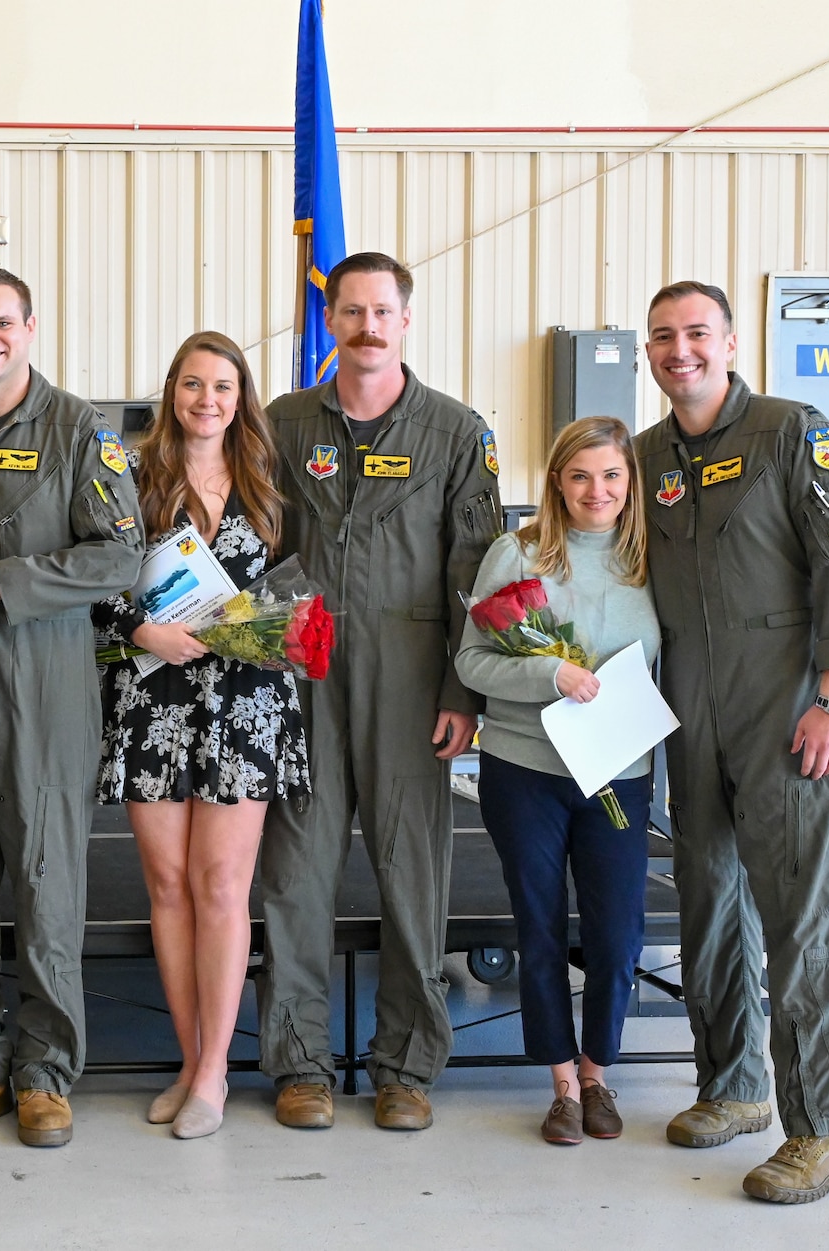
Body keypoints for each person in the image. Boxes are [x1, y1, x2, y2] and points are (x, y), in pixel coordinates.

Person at [634, 280, 829, 1204]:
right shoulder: (648, 454)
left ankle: (821, 1130)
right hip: (690, 711)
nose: (679, 350)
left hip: (786, 709)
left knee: (806, 919)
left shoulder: (790, 432)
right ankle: (734, 1084)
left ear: (731, 342)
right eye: (663, 336)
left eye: (697, 333)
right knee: (711, 904)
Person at [257, 251, 503, 1131]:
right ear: (331, 321)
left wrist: (461, 691)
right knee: (295, 874)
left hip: (412, 677)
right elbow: (252, 541)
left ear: (406, 321)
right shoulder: (282, 424)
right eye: (349, 311)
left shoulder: (456, 432)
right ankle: (299, 1063)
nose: (365, 327)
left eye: (381, 312)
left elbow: (474, 574)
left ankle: (407, 1067)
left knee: (412, 874)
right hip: (304, 675)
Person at [0, 267, 144, 1147]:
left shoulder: (81, 430)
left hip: (46, 685)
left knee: (48, 885)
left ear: (31, 328)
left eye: (2, 323)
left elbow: (121, 554)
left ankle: (45, 1072)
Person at [93, 331, 310, 1140]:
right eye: (192, 384)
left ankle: (216, 1070)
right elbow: (92, 582)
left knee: (222, 885)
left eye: (223, 385)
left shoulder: (270, 483)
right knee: (168, 886)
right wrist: (140, 630)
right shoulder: (132, 478)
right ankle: (189, 1061)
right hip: (153, 698)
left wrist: (268, 627)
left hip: (245, 704)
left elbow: (303, 587)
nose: (206, 400)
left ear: (241, 394)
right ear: (172, 391)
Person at [455, 416, 659, 1146]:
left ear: (629, 481)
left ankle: (600, 1067)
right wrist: (550, 671)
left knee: (617, 933)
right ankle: (563, 1085)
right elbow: (472, 663)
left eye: (610, 475)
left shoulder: (651, 559)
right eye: (579, 476)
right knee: (539, 927)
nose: (595, 490)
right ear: (556, 482)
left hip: (618, 774)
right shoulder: (517, 555)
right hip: (527, 771)